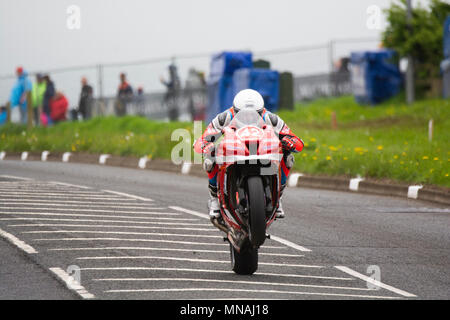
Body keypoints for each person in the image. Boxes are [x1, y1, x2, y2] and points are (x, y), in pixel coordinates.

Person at [194, 89, 304, 219]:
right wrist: (206, 145)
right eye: (243, 114)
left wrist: (289, 142)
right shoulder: (225, 117)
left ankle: (278, 196)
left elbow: (295, 140)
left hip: (261, 150)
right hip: (234, 151)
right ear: (235, 110)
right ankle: (214, 200)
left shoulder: (270, 118)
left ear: (261, 110)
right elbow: (204, 138)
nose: (248, 117)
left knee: (287, 157)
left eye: (254, 114)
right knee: (210, 157)